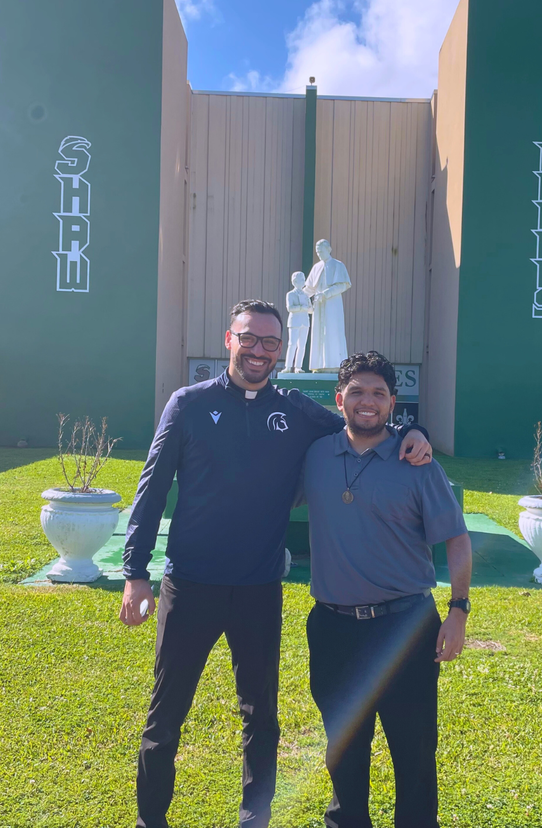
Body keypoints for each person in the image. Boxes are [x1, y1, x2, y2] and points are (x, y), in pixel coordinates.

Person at [119, 301, 433, 828]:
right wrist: (135, 573)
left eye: (270, 342)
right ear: (229, 339)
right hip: (189, 586)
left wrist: (410, 432)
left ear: (281, 350)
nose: (258, 350)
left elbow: (359, 423)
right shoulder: (188, 404)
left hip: (259, 589)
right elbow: (150, 492)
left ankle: (254, 819)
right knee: (165, 716)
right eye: (249, 338)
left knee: (260, 716)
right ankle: (151, 821)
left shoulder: (296, 411)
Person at [301, 351, 473, 828]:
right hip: (333, 627)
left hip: (405, 627)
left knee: (413, 749)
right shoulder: (315, 455)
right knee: (343, 746)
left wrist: (458, 610)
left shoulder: (417, 462)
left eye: (378, 393)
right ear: (339, 399)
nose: (368, 401)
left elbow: (457, 539)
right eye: (356, 391)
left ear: (393, 402)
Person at [303, 239, 351, 372]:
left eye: (321, 251)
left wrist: (326, 293)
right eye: (317, 252)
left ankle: (334, 365)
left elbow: (343, 285)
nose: (319, 254)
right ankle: (319, 365)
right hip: (318, 304)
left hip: (332, 304)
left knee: (333, 331)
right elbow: (310, 288)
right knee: (318, 333)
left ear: (329, 249)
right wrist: (299, 296)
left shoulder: (338, 265)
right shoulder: (316, 267)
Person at [280, 270, 313, 373]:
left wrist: (311, 307)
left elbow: (311, 310)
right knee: (292, 344)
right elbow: (290, 308)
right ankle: (288, 367)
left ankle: (298, 366)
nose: (303, 282)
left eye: (303, 280)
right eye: (301, 280)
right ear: (294, 282)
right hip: (294, 322)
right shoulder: (290, 294)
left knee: (302, 346)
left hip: (305, 322)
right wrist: (302, 307)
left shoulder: (306, 295)